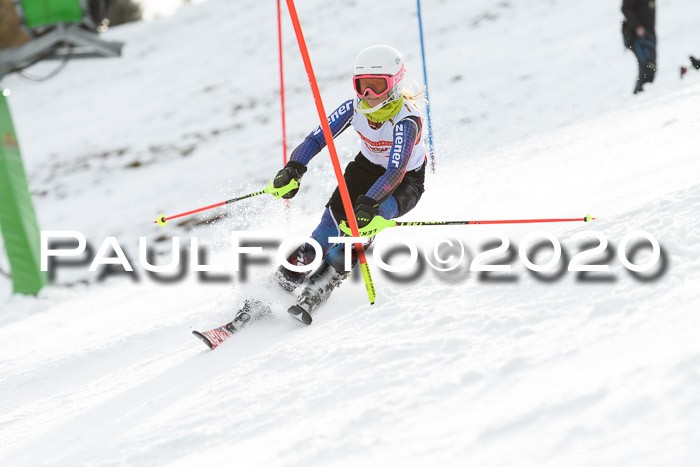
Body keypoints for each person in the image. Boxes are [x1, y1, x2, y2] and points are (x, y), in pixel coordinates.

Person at [271, 44, 428, 318]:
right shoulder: (354, 108)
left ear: (394, 84)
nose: (368, 95)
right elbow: (316, 139)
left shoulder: (407, 120)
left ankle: (326, 279)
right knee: (326, 231)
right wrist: (295, 167)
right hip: (365, 170)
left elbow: (396, 171)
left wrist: (369, 203)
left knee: (362, 227)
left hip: (404, 182)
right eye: (361, 86)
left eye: (376, 86)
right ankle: (281, 283)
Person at [621, 0, 656, 94]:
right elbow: (625, 8)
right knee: (647, 66)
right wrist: (637, 26)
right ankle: (638, 96)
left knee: (651, 67)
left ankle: (644, 95)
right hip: (638, 36)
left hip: (649, 34)